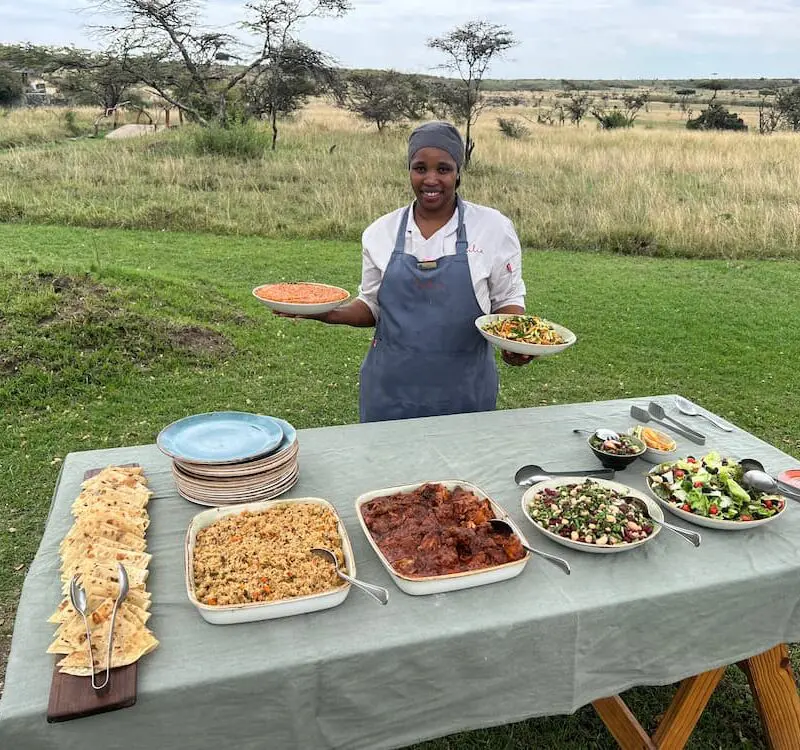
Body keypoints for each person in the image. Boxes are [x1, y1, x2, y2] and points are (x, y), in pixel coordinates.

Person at [280, 121, 532, 423]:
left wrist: (515, 341)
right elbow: (372, 306)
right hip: (389, 392)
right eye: (420, 168)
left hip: (465, 391)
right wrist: (325, 313)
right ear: (409, 170)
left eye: (443, 169)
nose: (431, 179)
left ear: (458, 172)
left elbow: (507, 297)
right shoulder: (380, 232)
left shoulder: (491, 227)